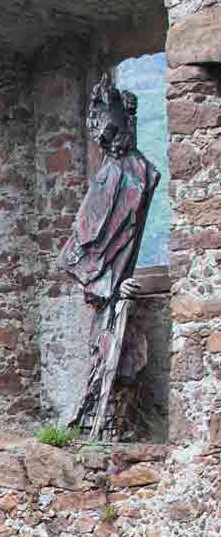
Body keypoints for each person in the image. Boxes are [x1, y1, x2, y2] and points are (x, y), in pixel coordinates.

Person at [58, 77, 161, 435]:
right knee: (108, 357)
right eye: (96, 123)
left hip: (116, 293)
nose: (101, 132)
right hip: (107, 293)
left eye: (106, 121)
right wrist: (111, 287)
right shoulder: (109, 176)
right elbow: (79, 250)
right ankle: (98, 426)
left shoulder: (142, 172)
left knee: (128, 358)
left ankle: (114, 425)